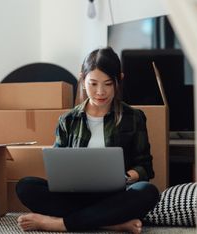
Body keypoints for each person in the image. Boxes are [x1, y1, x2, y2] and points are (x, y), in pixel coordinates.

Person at [15, 47, 160, 234]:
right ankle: (111, 224)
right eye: (93, 84)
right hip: (74, 196)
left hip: (114, 197)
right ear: (82, 79)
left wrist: (126, 176)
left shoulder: (134, 117)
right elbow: (57, 167)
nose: (101, 92)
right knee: (25, 186)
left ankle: (60, 224)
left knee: (148, 192)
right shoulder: (67, 120)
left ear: (119, 80)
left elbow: (145, 167)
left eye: (108, 84)